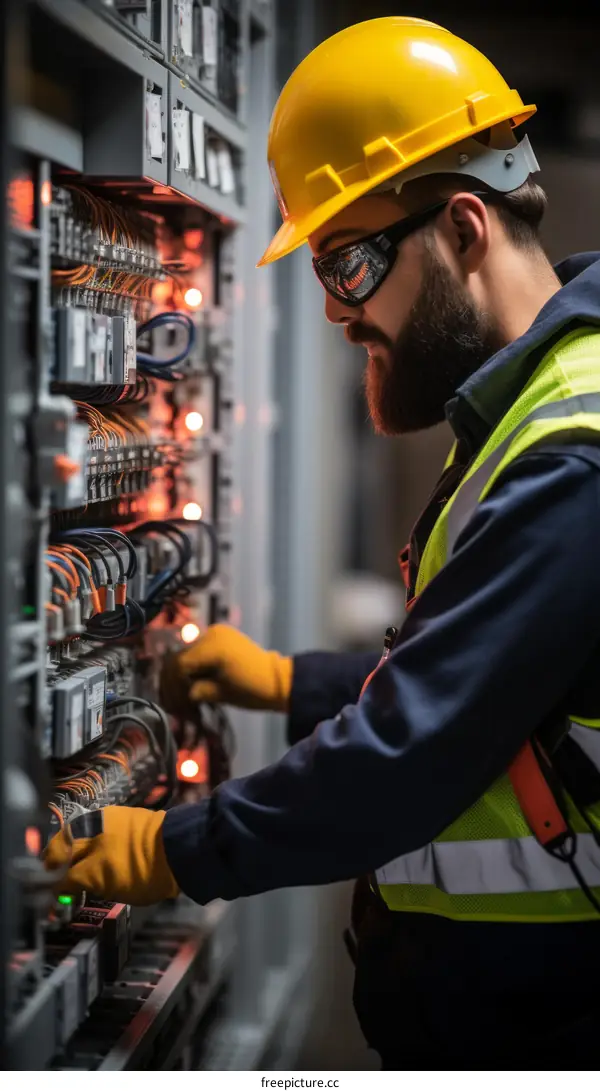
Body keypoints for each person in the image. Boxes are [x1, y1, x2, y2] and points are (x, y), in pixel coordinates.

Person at [46, 17, 600, 1069]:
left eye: (347, 264)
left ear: (466, 231)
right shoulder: (536, 407)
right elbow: (483, 673)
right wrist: (287, 680)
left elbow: (412, 750)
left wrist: (165, 846)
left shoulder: (571, 452)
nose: (339, 315)